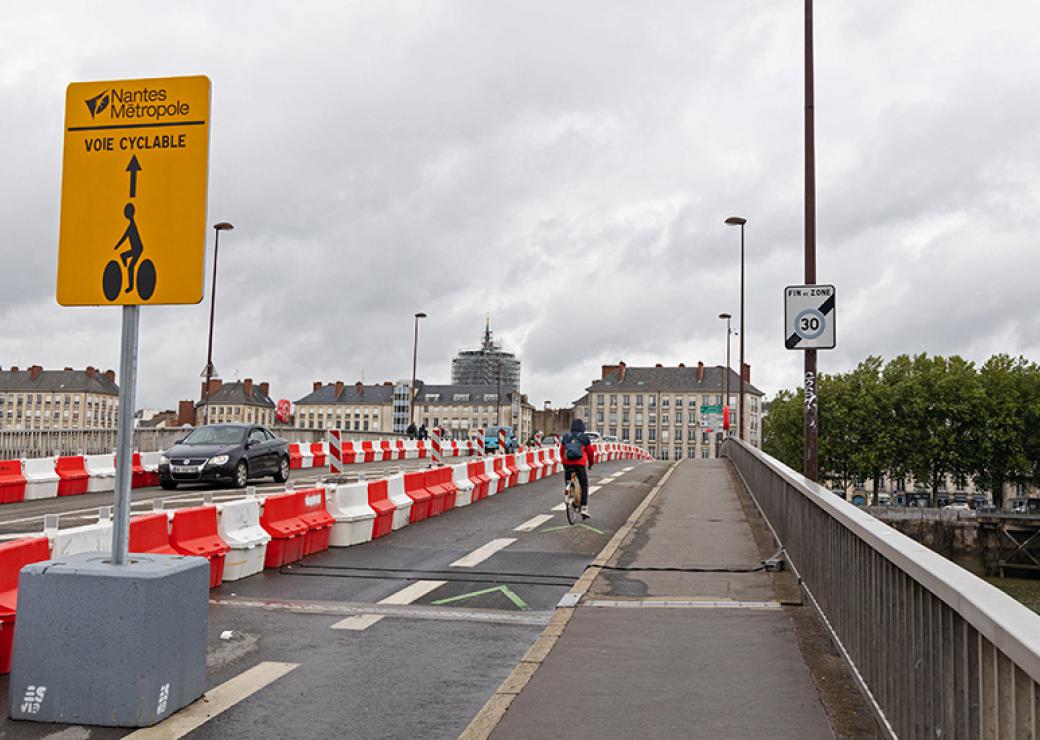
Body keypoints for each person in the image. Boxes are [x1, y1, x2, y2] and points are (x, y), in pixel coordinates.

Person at [559, 418, 595, 519]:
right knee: (584, 484)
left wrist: (563, 461)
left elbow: (561, 451)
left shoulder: (566, 436)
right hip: (579, 464)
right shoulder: (584, 438)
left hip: (567, 463)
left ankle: (569, 492)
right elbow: (590, 452)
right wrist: (591, 463)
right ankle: (584, 507)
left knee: (568, 480)